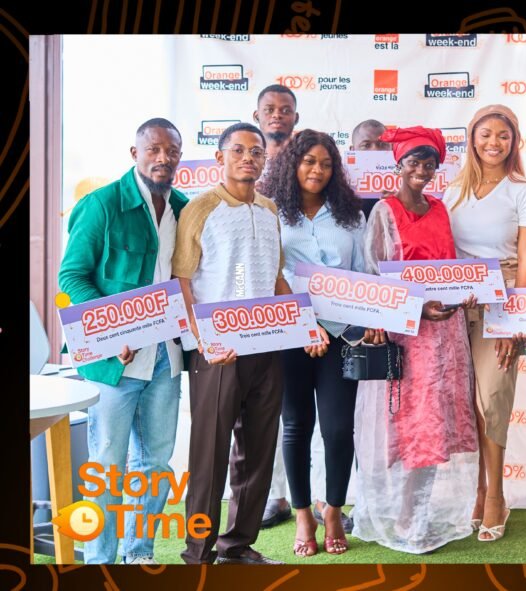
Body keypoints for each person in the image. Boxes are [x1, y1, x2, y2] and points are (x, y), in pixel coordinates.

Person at [58, 118, 188, 564]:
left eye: (172, 151)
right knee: (108, 465)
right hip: (115, 362)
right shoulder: (101, 205)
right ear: (135, 154)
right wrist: (110, 332)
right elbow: (72, 276)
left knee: (155, 465)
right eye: (153, 149)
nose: (163, 158)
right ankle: (100, 561)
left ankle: (139, 554)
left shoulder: (183, 208)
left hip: (166, 359)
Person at [352, 126, 479, 554]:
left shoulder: (440, 209)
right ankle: (400, 515)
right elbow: (374, 275)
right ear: (399, 165)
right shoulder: (384, 211)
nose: (422, 170)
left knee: (434, 428)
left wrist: (464, 292)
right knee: (407, 427)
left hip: (444, 339)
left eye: (429, 164)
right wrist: (416, 307)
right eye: (414, 162)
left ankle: (416, 515)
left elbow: (450, 268)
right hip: (405, 335)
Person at [174, 122, 290, 565]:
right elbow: (182, 280)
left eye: (256, 151)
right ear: (220, 158)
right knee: (210, 453)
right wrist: (202, 341)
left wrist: (304, 325)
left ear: (265, 159)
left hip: (267, 345)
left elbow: (276, 277)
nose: (248, 158)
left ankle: (238, 545)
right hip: (217, 351)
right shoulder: (201, 208)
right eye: (238, 150)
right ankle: (197, 553)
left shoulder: (269, 209)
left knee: (258, 451)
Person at [262, 129, 365, 556]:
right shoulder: (270, 211)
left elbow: (363, 273)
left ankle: (334, 509)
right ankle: (303, 512)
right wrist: (304, 325)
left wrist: (372, 319)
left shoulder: (351, 215)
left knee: (339, 429)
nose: (317, 170)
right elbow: (268, 273)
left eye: (325, 163)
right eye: (308, 161)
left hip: (340, 335)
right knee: (296, 426)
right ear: (292, 164)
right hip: (290, 334)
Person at [443, 104, 526, 541]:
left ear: (514, 141)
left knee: (493, 401)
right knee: (466, 404)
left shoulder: (523, 191)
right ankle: (478, 491)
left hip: (501, 301)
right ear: (472, 138)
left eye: (503, 135)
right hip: (455, 305)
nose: (493, 143)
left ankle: (497, 496)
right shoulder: (452, 191)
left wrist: (512, 319)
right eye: (485, 134)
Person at [251, 83, 302, 529]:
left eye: (285, 109)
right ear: (257, 115)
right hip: (258, 307)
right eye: (270, 109)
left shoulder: (307, 162)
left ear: (295, 117)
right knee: (265, 407)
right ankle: (273, 496)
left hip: (304, 300)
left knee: (301, 409)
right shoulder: (246, 161)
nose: (277, 115)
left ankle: (315, 495)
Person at [349, 119, 392, 223]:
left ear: (391, 148)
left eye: (382, 144)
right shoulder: (341, 182)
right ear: (352, 150)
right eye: (366, 145)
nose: (375, 150)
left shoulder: (404, 178)